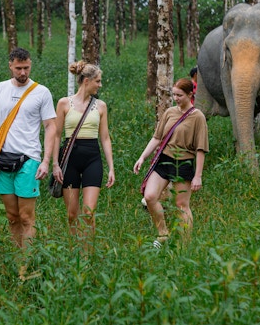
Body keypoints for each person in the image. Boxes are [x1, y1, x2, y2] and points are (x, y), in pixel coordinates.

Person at [0, 47, 56, 249]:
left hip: (29, 158)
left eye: (27, 68)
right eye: (19, 68)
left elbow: (50, 127)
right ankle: (16, 256)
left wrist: (46, 161)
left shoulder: (41, 92)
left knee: (26, 216)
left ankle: (26, 263)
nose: (23, 73)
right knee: (12, 216)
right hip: (4, 159)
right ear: (10, 66)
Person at [133, 79, 208, 248]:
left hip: (184, 162)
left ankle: (185, 244)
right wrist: (142, 157)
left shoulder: (198, 117)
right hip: (165, 159)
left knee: (182, 205)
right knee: (150, 196)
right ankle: (163, 234)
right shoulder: (169, 112)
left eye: (179, 95)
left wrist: (198, 176)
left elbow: (201, 149)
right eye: (174, 94)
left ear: (190, 95)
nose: (176, 98)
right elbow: (157, 137)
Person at [52, 61, 115, 239]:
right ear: (86, 81)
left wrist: (111, 167)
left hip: (92, 158)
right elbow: (56, 135)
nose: (100, 85)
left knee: (88, 213)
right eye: (98, 81)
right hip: (69, 157)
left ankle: (88, 252)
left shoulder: (100, 106)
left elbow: (105, 137)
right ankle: (75, 252)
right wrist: (55, 164)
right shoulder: (64, 103)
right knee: (72, 214)